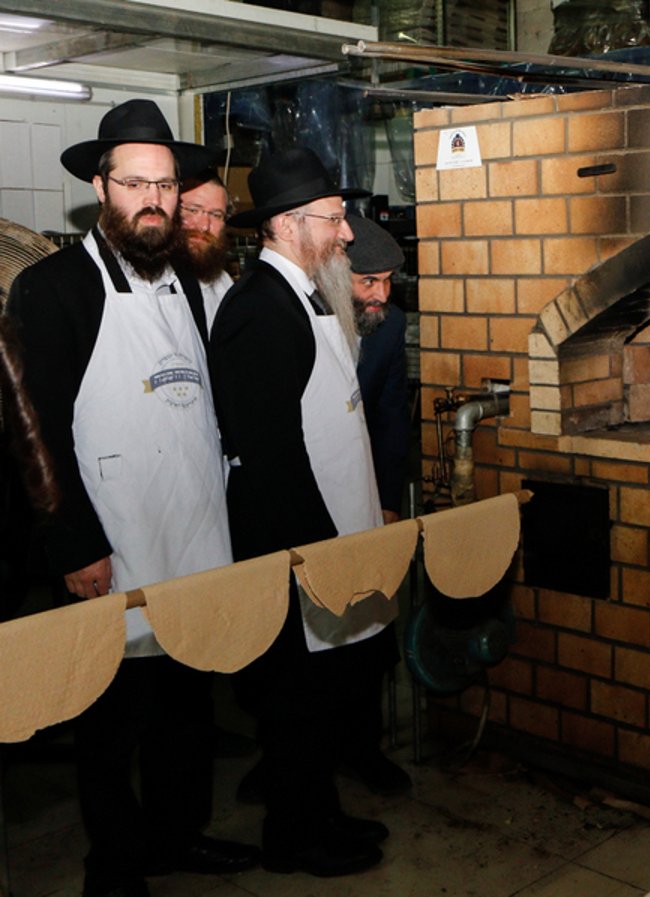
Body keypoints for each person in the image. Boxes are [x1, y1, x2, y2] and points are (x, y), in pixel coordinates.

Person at [6, 99, 259, 897]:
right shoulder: (55, 288)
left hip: (192, 533)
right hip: (110, 544)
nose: (153, 199)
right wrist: (74, 543)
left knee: (188, 704)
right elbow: (30, 429)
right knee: (112, 724)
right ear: (100, 184)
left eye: (165, 186)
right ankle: (113, 868)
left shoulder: (185, 277)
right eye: (134, 184)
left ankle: (178, 837)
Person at [208, 147, 396, 877]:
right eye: (334, 219)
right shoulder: (260, 309)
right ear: (288, 225)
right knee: (293, 708)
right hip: (297, 552)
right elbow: (273, 456)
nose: (346, 234)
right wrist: (317, 556)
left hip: (333, 542)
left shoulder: (307, 295)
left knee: (322, 706)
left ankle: (324, 813)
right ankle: (295, 839)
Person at [339, 214, 412, 795]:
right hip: (309, 496)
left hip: (366, 496)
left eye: (389, 281)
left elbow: (392, 416)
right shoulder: (302, 319)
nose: (380, 295)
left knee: (367, 633)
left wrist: (389, 501)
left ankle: (364, 749)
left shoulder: (389, 328)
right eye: (369, 282)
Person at [178, 169, 234, 326]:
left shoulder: (223, 284)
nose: (204, 226)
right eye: (193, 210)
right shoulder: (150, 282)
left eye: (216, 215)